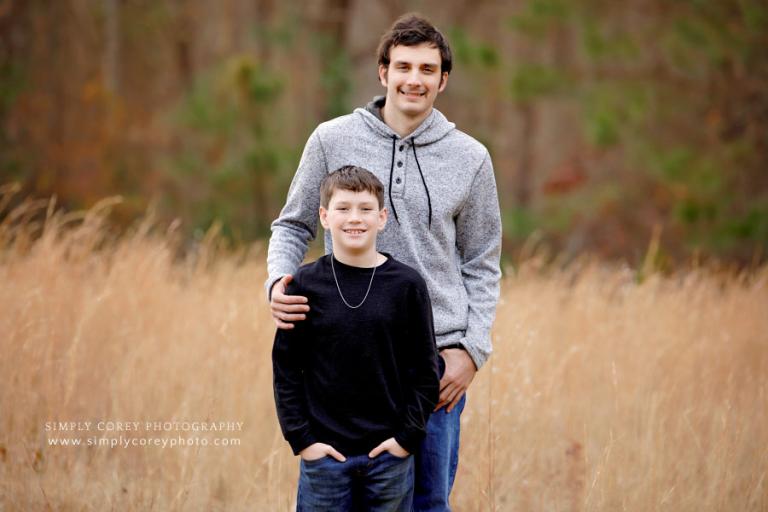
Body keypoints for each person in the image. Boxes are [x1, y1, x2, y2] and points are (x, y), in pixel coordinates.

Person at [267, 13, 502, 511]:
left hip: (433, 367)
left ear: (443, 80)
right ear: (383, 72)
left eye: (426, 69)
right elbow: (292, 225)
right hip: (342, 360)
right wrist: (276, 286)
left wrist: (472, 350)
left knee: (426, 503)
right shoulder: (331, 139)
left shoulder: (471, 158)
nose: (413, 79)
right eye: (402, 66)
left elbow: (482, 262)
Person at [273, 166, 440, 511]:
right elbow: (286, 370)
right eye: (343, 208)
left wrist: (406, 439)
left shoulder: (406, 286)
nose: (355, 219)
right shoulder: (305, 285)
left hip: (389, 458)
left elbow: (424, 371)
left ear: (382, 218)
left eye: (365, 209)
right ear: (324, 216)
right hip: (324, 459)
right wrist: (303, 441)